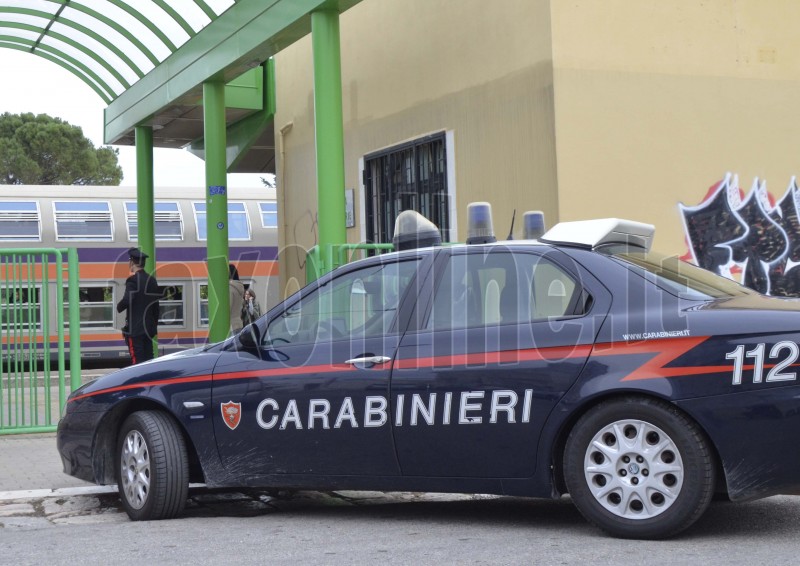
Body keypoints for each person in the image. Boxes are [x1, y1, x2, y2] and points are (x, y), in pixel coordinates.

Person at [116, 247, 160, 365]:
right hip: (148, 329)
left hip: (135, 330)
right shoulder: (152, 281)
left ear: (131, 262)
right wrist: (153, 326)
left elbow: (127, 299)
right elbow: (156, 306)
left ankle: (140, 383)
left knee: (137, 362)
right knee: (149, 360)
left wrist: (119, 307)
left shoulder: (133, 280)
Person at [229, 263, 245, 334]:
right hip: (239, 324)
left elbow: (227, 308)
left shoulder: (230, 288)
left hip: (231, 326)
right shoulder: (239, 287)